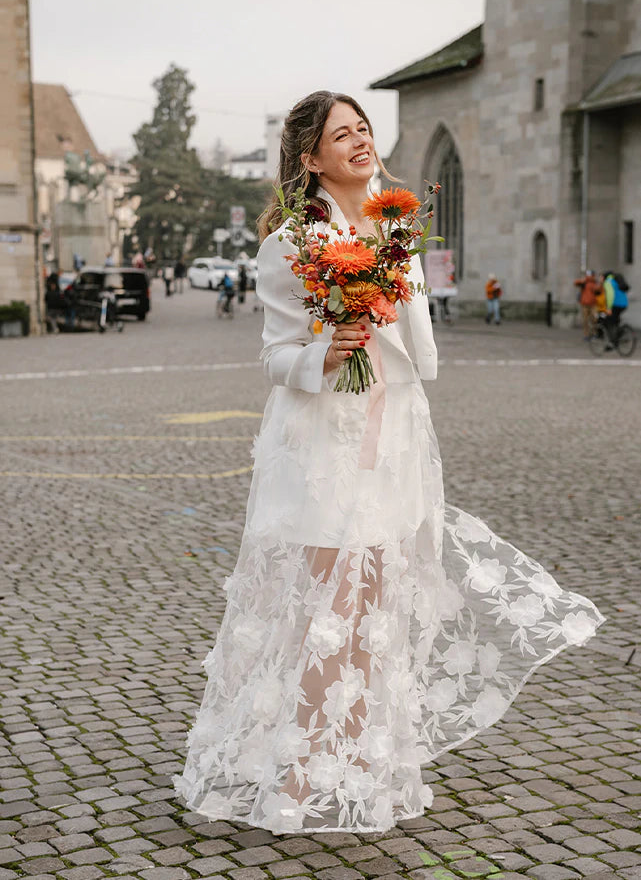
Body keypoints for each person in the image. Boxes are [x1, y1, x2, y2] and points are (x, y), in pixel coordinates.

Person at [174, 91, 604, 834]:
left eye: (363, 127)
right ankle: (298, 773)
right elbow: (274, 355)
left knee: (377, 599)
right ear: (310, 160)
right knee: (328, 609)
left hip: (394, 427)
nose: (360, 140)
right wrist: (322, 353)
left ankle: (360, 758)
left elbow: (409, 335)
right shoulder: (292, 243)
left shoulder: (394, 224)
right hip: (323, 439)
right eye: (341, 134)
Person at [603, 271, 628, 345]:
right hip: (624, 303)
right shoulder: (616, 279)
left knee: (607, 322)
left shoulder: (608, 282)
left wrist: (609, 308)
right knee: (615, 320)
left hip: (615, 304)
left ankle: (613, 341)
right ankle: (619, 333)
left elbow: (610, 295)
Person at [574, 270, 599, 339]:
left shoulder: (594, 283)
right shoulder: (584, 282)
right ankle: (587, 335)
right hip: (585, 304)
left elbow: (598, 290)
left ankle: (594, 333)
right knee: (585, 320)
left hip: (593, 304)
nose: (588, 277)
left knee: (594, 319)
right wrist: (585, 280)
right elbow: (576, 282)